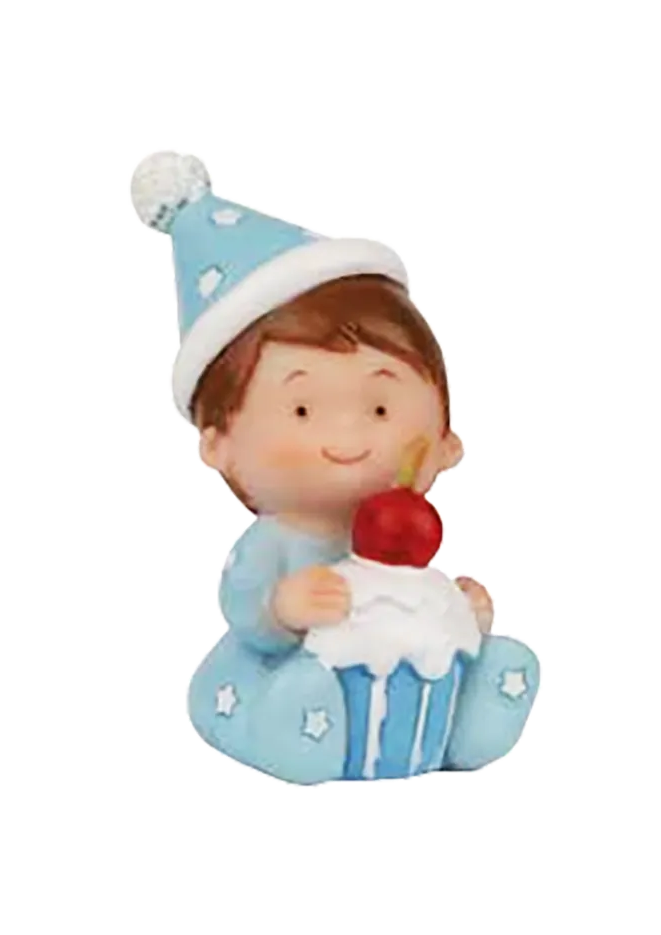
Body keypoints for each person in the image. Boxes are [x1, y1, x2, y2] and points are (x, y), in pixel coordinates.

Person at [131, 152, 540, 784]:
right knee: (285, 687)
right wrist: (283, 607)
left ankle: (469, 717)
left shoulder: (403, 527)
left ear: (444, 441)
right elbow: (245, 605)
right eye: (302, 409)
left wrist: (460, 612)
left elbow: (411, 594)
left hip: (400, 660)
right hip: (287, 670)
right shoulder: (278, 542)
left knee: (460, 655)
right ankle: (295, 727)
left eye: (380, 406)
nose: (348, 437)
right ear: (219, 445)